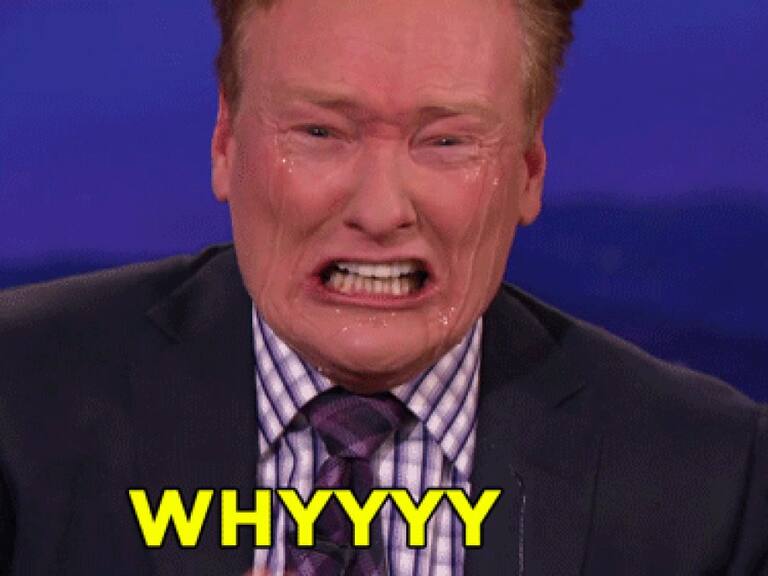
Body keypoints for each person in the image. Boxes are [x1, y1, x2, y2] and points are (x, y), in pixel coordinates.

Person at [1, 0, 766, 574]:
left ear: (530, 171)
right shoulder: (19, 403)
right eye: (320, 133)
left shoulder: (715, 483)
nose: (378, 211)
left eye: (447, 141)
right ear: (226, 143)